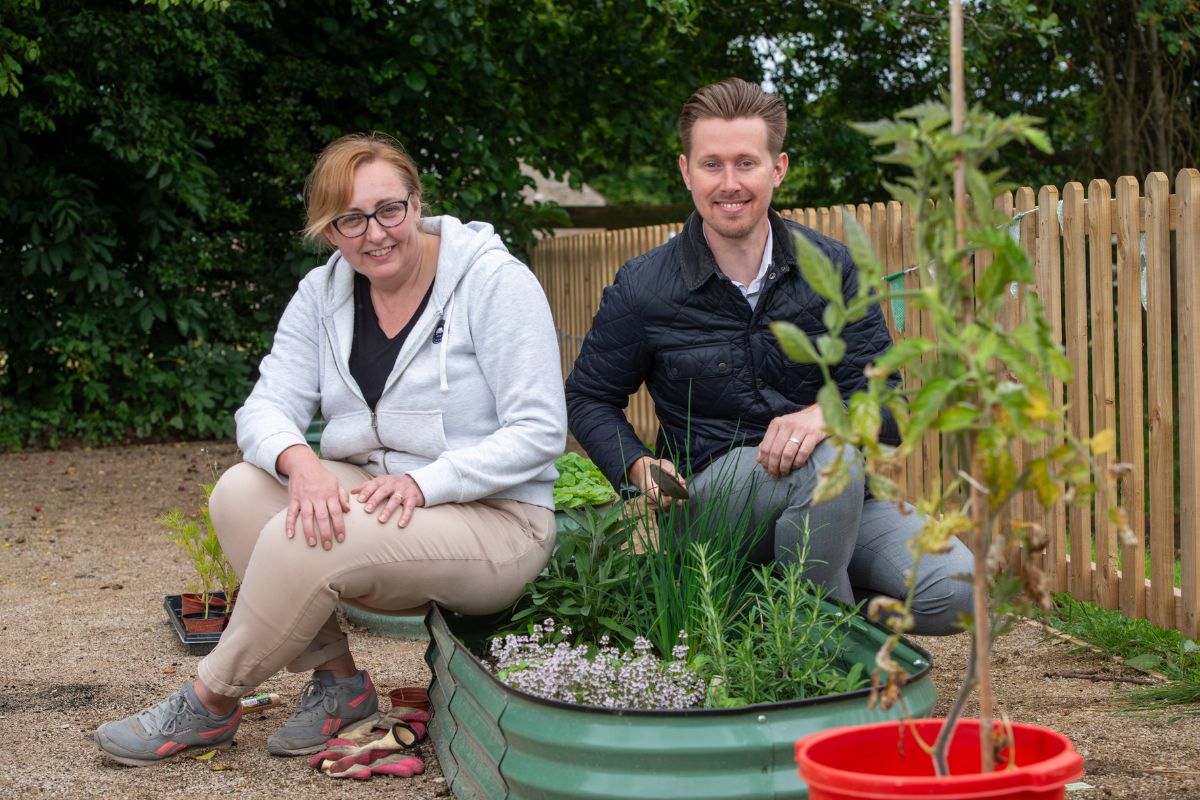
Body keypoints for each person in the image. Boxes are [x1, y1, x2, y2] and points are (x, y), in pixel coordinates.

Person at [95, 132, 567, 766]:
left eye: (388, 210)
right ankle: (339, 686)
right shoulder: (322, 295)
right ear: (329, 230)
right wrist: (303, 464)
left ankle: (208, 700)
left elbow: (540, 431)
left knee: (306, 534)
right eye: (350, 219)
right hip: (383, 503)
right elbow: (263, 409)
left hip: (496, 522)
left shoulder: (493, 283)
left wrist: (431, 482)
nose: (374, 234)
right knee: (241, 494)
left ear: (416, 202)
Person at [565, 77, 972, 635]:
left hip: (839, 498)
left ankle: (760, 605)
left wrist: (826, 414)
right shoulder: (645, 286)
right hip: (713, 504)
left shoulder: (832, 268)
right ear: (686, 171)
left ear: (777, 168)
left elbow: (889, 402)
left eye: (746, 163)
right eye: (712, 165)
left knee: (954, 592)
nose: (729, 183)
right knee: (829, 461)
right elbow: (589, 396)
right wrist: (636, 464)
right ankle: (816, 645)